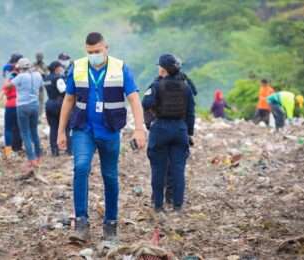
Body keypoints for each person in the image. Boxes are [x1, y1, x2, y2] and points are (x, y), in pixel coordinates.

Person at [57, 32, 146, 242]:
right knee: (80, 168)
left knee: (110, 176)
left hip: (109, 130)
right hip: (83, 130)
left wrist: (139, 129)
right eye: (89, 52)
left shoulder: (120, 68)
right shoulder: (77, 67)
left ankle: (110, 225)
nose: (94, 55)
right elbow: (69, 99)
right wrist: (61, 131)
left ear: (106, 47)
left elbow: (133, 99)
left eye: (97, 51)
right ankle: (81, 223)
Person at [143, 54, 195, 213]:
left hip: (160, 128)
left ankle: (158, 205)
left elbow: (145, 103)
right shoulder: (186, 87)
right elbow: (191, 112)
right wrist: (189, 133)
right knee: (178, 169)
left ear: (164, 69)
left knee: (158, 168)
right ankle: (177, 206)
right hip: (180, 129)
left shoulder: (157, 86)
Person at [6, 58, 43, 171]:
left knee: (25, 133)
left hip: (22, 106)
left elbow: (8, 86)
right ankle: (38, 157)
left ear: (20, 68)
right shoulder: (38, 75)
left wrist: (10, 77)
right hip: (35, 105)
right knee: (34, 132)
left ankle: (31, 160)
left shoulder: (21, 76)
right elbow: (40, 88)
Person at [0, 71, 23, 158]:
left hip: (10, 106)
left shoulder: (9, 83)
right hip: (20, 105)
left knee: (8, 129)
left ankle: (8, 151)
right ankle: (17, 148)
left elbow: (2, 93)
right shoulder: (21, 82)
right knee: (18, 127)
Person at [44, 61, 68, 156]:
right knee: (66, 125)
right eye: (60, 67)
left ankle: (54, 150)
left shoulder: (46, 78)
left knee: (53, 127)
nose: (61, 69)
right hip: (59, 104)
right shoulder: (58, 78)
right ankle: (69, 149)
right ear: (56, 68)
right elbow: (63, 91)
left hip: (49, 103)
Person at [33, 52, 49, 118]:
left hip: (41, 85)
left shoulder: (44, 66)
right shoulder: (33, 65)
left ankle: (39, 115)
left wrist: (42, 72)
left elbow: (47, 76)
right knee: (34, 101)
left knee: (41, 101)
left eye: (40, 57)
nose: (39, 59)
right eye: (38, 57)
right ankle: (35, 115)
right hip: (33, 85)